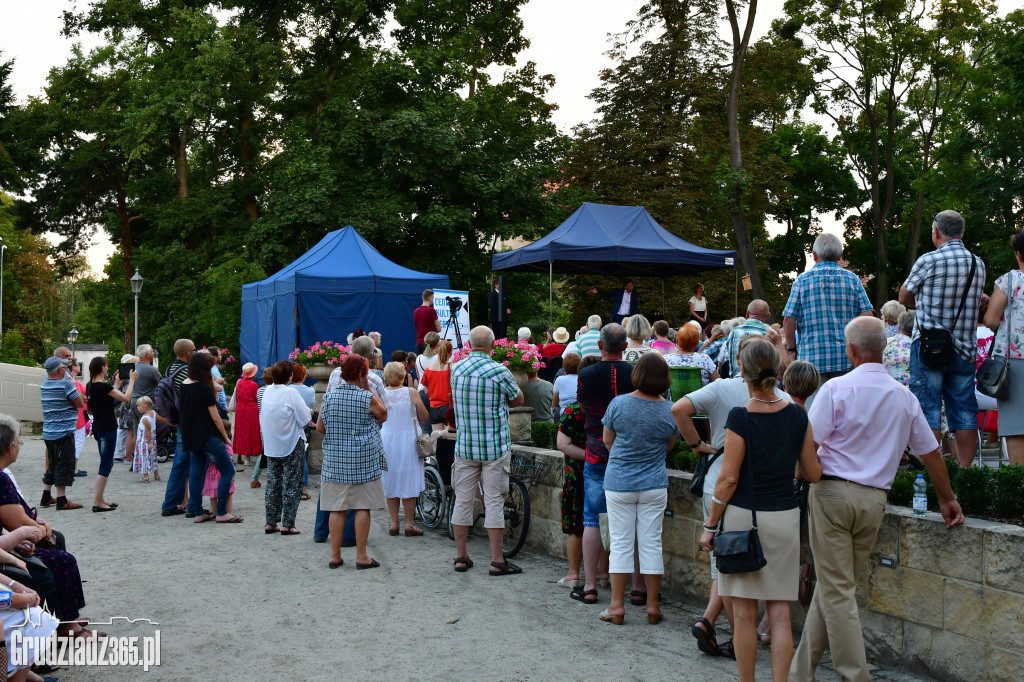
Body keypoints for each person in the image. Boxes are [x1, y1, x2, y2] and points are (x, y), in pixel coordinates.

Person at [789, 317, 964, 682]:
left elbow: (809, 444)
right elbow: (931, 452)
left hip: (833, 493)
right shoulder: (903, 396)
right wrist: (947, 498)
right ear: (882, 350)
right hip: (874, 500)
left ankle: (855, 676)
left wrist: (800, 474)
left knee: (836, 593)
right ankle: (799, 674)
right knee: (834, 588)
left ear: (851, 351)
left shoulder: (836, 388)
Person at [694, 339, 821, 682]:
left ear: (743, 372)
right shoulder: (797, 415)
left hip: (742, 519)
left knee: (746, 614)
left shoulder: (741, 417)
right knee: (780, 614)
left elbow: (728, 479)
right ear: (779, 369)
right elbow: (811, 473)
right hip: (783, 517)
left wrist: (710, 526)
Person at [673, 336, 793, 660]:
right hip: (771, 498)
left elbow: (679, 408)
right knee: (758, 581)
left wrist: (696, 444)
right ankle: (727, 629)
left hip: (722, 488)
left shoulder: (722, 389)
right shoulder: (785, 400)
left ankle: (736, 635)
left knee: (725, 569)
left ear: (739, 362)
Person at [0, 413, 102, 641]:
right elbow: (13, 518)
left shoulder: (3, 475)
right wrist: (36, 527)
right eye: (19, 441)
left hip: (11, 541)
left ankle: (68, 617)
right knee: (62, 560)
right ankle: (67, 626)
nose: (20, 446)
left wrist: (36, 524)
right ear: (9, 447)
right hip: (9, 547)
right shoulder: (0, 478)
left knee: (58, 542)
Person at [899, 209, 986, 467]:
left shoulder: (929, 260)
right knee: (965, 412)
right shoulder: (977, 263)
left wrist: (925, 300)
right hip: (964, 349)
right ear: (962, 232)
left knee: (929, 410)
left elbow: (904, 298)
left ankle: (932, 474)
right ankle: (966, 472)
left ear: (937, 232)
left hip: (929, 347)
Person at [599, 353, 678, 626]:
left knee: (621, 544)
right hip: (654, 483)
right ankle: (653, 606)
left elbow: (607, 440)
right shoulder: (670, 410)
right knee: (651, 544)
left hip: (620, 482)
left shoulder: (619, 404)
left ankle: (616, 607)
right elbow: (669, 446)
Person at [449, 326, 525, 575]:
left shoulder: (456, 369)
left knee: (462, 500)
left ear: (469, 344)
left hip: (466, 446)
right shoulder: (499, 371)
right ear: (493, 345)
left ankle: (460, 556)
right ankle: (496, 560)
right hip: (494, 446)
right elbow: (518, 400)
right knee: (493, 502)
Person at [572, 323, 636, 605]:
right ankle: (638, 589)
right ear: (625, 347)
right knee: (634, 522)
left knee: (592, 520)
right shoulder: (636, 373)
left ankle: (589, 586)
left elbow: (583, 406)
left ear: (600, 346)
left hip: (597, 451)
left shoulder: (586, 373)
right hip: (629, 454)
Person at [316, 354, 388, 569]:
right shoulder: (365, 397)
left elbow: (320, 427)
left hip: (335, 460)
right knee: (362, 507)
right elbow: (383, 414)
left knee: (336, 508)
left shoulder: (330, 397)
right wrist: (367, 387)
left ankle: (335, 556)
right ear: (361, 373)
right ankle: (362, 556)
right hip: (363, 459)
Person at [782, 234, 874, 383]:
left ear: (814, 255)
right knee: (845, 405)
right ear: (839, 256)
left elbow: (788, 319)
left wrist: (792, 350)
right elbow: (868, 317)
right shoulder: (853, 280)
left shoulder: (802, 281)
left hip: (811, 360)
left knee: (814, 405)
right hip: (847, 357)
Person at [554, 356, 599, 590]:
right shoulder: (608, 406)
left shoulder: (572, 411)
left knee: (575, 524)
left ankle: (573, 574)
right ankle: (602, 574)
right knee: (601, 522)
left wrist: (586, 455)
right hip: (604, 470)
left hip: (576, 473)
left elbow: (563, 444)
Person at [179, 351, 240, 524]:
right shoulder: (205, 387)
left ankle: (198, 512)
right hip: (207, 435)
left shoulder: (185, 384)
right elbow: (215, 417)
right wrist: (226, 437)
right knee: (228, 471)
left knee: (196, 474)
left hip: (190, 436)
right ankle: (221, 512)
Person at [982, 228, 1024, 464]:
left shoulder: (1010, 280)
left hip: (1014, 360)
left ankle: (1020, 486)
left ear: (1019, 254)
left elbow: (990, 320)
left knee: (1017, 425)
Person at [260, 360, 311, 535]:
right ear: (290, 376)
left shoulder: (267, 391)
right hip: (291, 442)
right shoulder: (291, 393)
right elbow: (305, 419)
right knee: (292, 483)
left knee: (273, 482)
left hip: (272, 443)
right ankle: (288, 524)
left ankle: (270, 521)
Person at [380, 362, 430, 537]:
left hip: (387, 439)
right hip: (409, 440)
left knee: (390, 477)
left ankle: (394, 522)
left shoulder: (381, 394)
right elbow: (424, 416)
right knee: (409, 478)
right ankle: (410, 523)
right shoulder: (411, 393)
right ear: (403, 375)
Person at [86, 357, 136, 511]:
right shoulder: (103, 386)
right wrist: (132, 380)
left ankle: (100, 498)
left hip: (99, 426)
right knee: (106, 465)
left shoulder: (90, 386)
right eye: (107, 366)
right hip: (107, 427)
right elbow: (126, 398)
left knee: (105, 462)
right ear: (102, 368)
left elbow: (106, 402)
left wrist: (117, 385)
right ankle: (97, 502)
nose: (108, 368)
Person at [39, 356, 84, 510]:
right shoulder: (65, 384)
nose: (66, 370)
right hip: (63, 431)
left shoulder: (45, 385)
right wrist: (70, 400)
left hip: (48, 431)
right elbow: (79, 403)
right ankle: (61, 500)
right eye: (64, 368)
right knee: (64, 464)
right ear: (60, 370)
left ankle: (46, 496)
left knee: (52, 463)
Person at [159, 338, 198, 517]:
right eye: (194, 350)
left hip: (178, 420)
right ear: (188, 352)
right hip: (189, 422)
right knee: (189, 464)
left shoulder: (169, 369)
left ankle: (176, 502)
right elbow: (188, 398)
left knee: (181, 464)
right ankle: (185, 505)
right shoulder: (186, 372)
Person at [126, 344, 164, 469]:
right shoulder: (151, 370)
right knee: (148, 432)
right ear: (147, 355)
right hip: (147, 405)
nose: (154, 353)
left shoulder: (133, 368)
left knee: (137, 432)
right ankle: (145, 461)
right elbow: (162, 384)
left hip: (134, 403)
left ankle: (133, 460)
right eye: (152, 351)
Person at [718, 301, 772, 378]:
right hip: (761, 386)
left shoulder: (733, 332)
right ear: (768, 316)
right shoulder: (771, 334)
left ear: (747, 313)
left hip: (735, 384)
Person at [232, 362, 262, 467]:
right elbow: (256, 398)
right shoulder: (254, 385)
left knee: (240, 431)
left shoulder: (239, 383)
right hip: (251, 410)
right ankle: (249, 458)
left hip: (240, 409)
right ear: (253, 374)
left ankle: (241, 456)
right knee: (250, 433)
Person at [420, 339, 454, 428]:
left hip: (434, 407)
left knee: (436, 438)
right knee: (450, 438)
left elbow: (426, 391)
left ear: (437, 351)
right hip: (449, 406)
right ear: (451, 352)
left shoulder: (429, 368)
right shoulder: (453, 368)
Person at [113, 353, 138, 462]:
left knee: (126, 431)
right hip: (129, 403)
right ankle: (127, 456)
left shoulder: (120, 374)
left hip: (123, 404)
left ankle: (123, 454)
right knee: (130, 432)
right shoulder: (131, 375)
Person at [882, 310, 915, 386]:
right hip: (913, 392)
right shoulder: (920, 346)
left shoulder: (885, 343)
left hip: (888, 388)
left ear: (899, 327)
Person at [69, 358, 89, 477]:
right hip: (78, 414)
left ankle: (74, 466)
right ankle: (73, 467)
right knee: (78, 440)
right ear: (73, 367)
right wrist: (87, 398)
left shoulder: (74, 380)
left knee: (77, 440)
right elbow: (79, 397)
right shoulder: (73, 381)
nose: (79, 367)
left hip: (80, 412)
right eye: (77, 365)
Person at [132, 396, 159, 482]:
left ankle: (146, 476)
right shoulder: (153, 413)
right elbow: (161, 419)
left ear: (145, 406)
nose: (137, 407)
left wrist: (149, 442)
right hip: (152, 439)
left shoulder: (144, 419)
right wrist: (170, 423)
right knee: (153, 456)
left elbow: (148, 431)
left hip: (144, 440)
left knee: (144, 457)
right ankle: (156, 474)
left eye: (139, 405)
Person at [552, 352, 581, 418]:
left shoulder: (559, 379)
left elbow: (554, 403)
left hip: (565, 415)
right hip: (580, 414)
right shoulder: (583, 378)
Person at [414, 289, 441, 354]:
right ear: (430, 299)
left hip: (419, 343)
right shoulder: (431, 311)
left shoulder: (416, 311)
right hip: (429, 343)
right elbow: (439, 328)